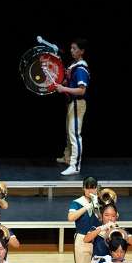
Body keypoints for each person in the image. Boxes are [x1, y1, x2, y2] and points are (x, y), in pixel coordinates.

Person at [54, 39, 89, 176]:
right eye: (71, 48)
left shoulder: (81, 68)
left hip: (77, 103)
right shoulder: (73, 65)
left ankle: (75, 166)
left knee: (74, 134)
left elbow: (82, 90)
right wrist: (61, 83)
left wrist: (64, 89)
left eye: (75, 48)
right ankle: (68, 157)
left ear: (82, 51)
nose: (71, 51)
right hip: (71, 103)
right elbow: (68, 82)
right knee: (70, 133)